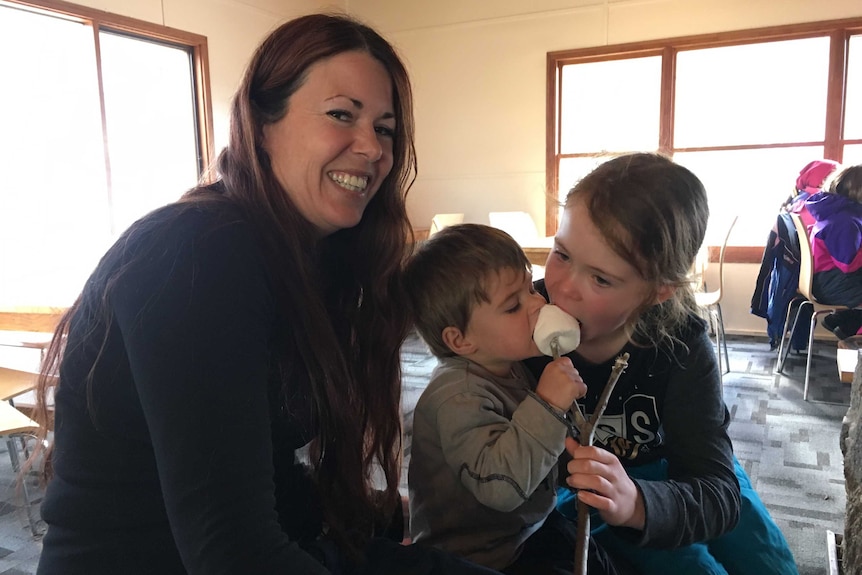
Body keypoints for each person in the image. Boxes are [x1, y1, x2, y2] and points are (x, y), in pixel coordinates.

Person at [30, 13, 500, 575]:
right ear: (261, 123)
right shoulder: (198, 253)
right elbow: (232, 552)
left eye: (385, 128)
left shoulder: (308, 258)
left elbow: (258, 471)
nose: (372, 148)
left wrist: (385, 515)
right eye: (341, 115)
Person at [526, 152, 798, 574]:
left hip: (674, 469)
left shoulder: (682, 346)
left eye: (600, 278)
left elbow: (716, 489)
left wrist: (638, 502)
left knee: (769, 563)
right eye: (561, 253)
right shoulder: (522, 321)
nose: (562, 287)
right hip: (585, 491)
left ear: (658, 291)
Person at [403, 224, 629, 574]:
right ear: (461, 341)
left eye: (530, 286)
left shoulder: (506, 363)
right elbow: (500, 487)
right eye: (513, 306)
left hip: (525, 529)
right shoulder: (456, 396)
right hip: (478, 557)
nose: (538, 303)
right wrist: (549, 405)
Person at [792, 164, 862, 339]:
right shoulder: (845, 220)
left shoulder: (835, 212)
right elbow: (848, 263)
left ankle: (845, 321)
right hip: (833, 284)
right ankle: (851, 329)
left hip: (825, 280)